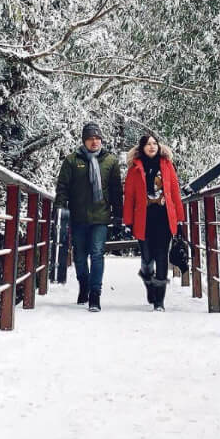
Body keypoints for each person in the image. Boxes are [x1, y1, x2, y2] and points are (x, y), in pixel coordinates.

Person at [53, 121, 122, 312]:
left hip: (100, 216)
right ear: (84, 140)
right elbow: (63, 188)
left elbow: (117, 190)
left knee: (97, 254)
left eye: (97, 138)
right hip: (78, 216)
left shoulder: (110, 161)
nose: (94, 142)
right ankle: (83, 284)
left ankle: (95, 294)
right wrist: (59, 209)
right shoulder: (72, 161)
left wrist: (119, 215)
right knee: (80, 257)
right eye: (91, 138)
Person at [122, 131, 185, 311]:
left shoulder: (167, 165)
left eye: (155, 143)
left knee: (161, 256)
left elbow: (174, 192)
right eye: (148, 144)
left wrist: (180, 218)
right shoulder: (135, 168)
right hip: (144, 219)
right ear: (142, 148)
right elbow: (130, 197)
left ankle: (159, 301)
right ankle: (149, 282)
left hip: (164, 218)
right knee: (147, 257)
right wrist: (128, 222)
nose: (152, 147)